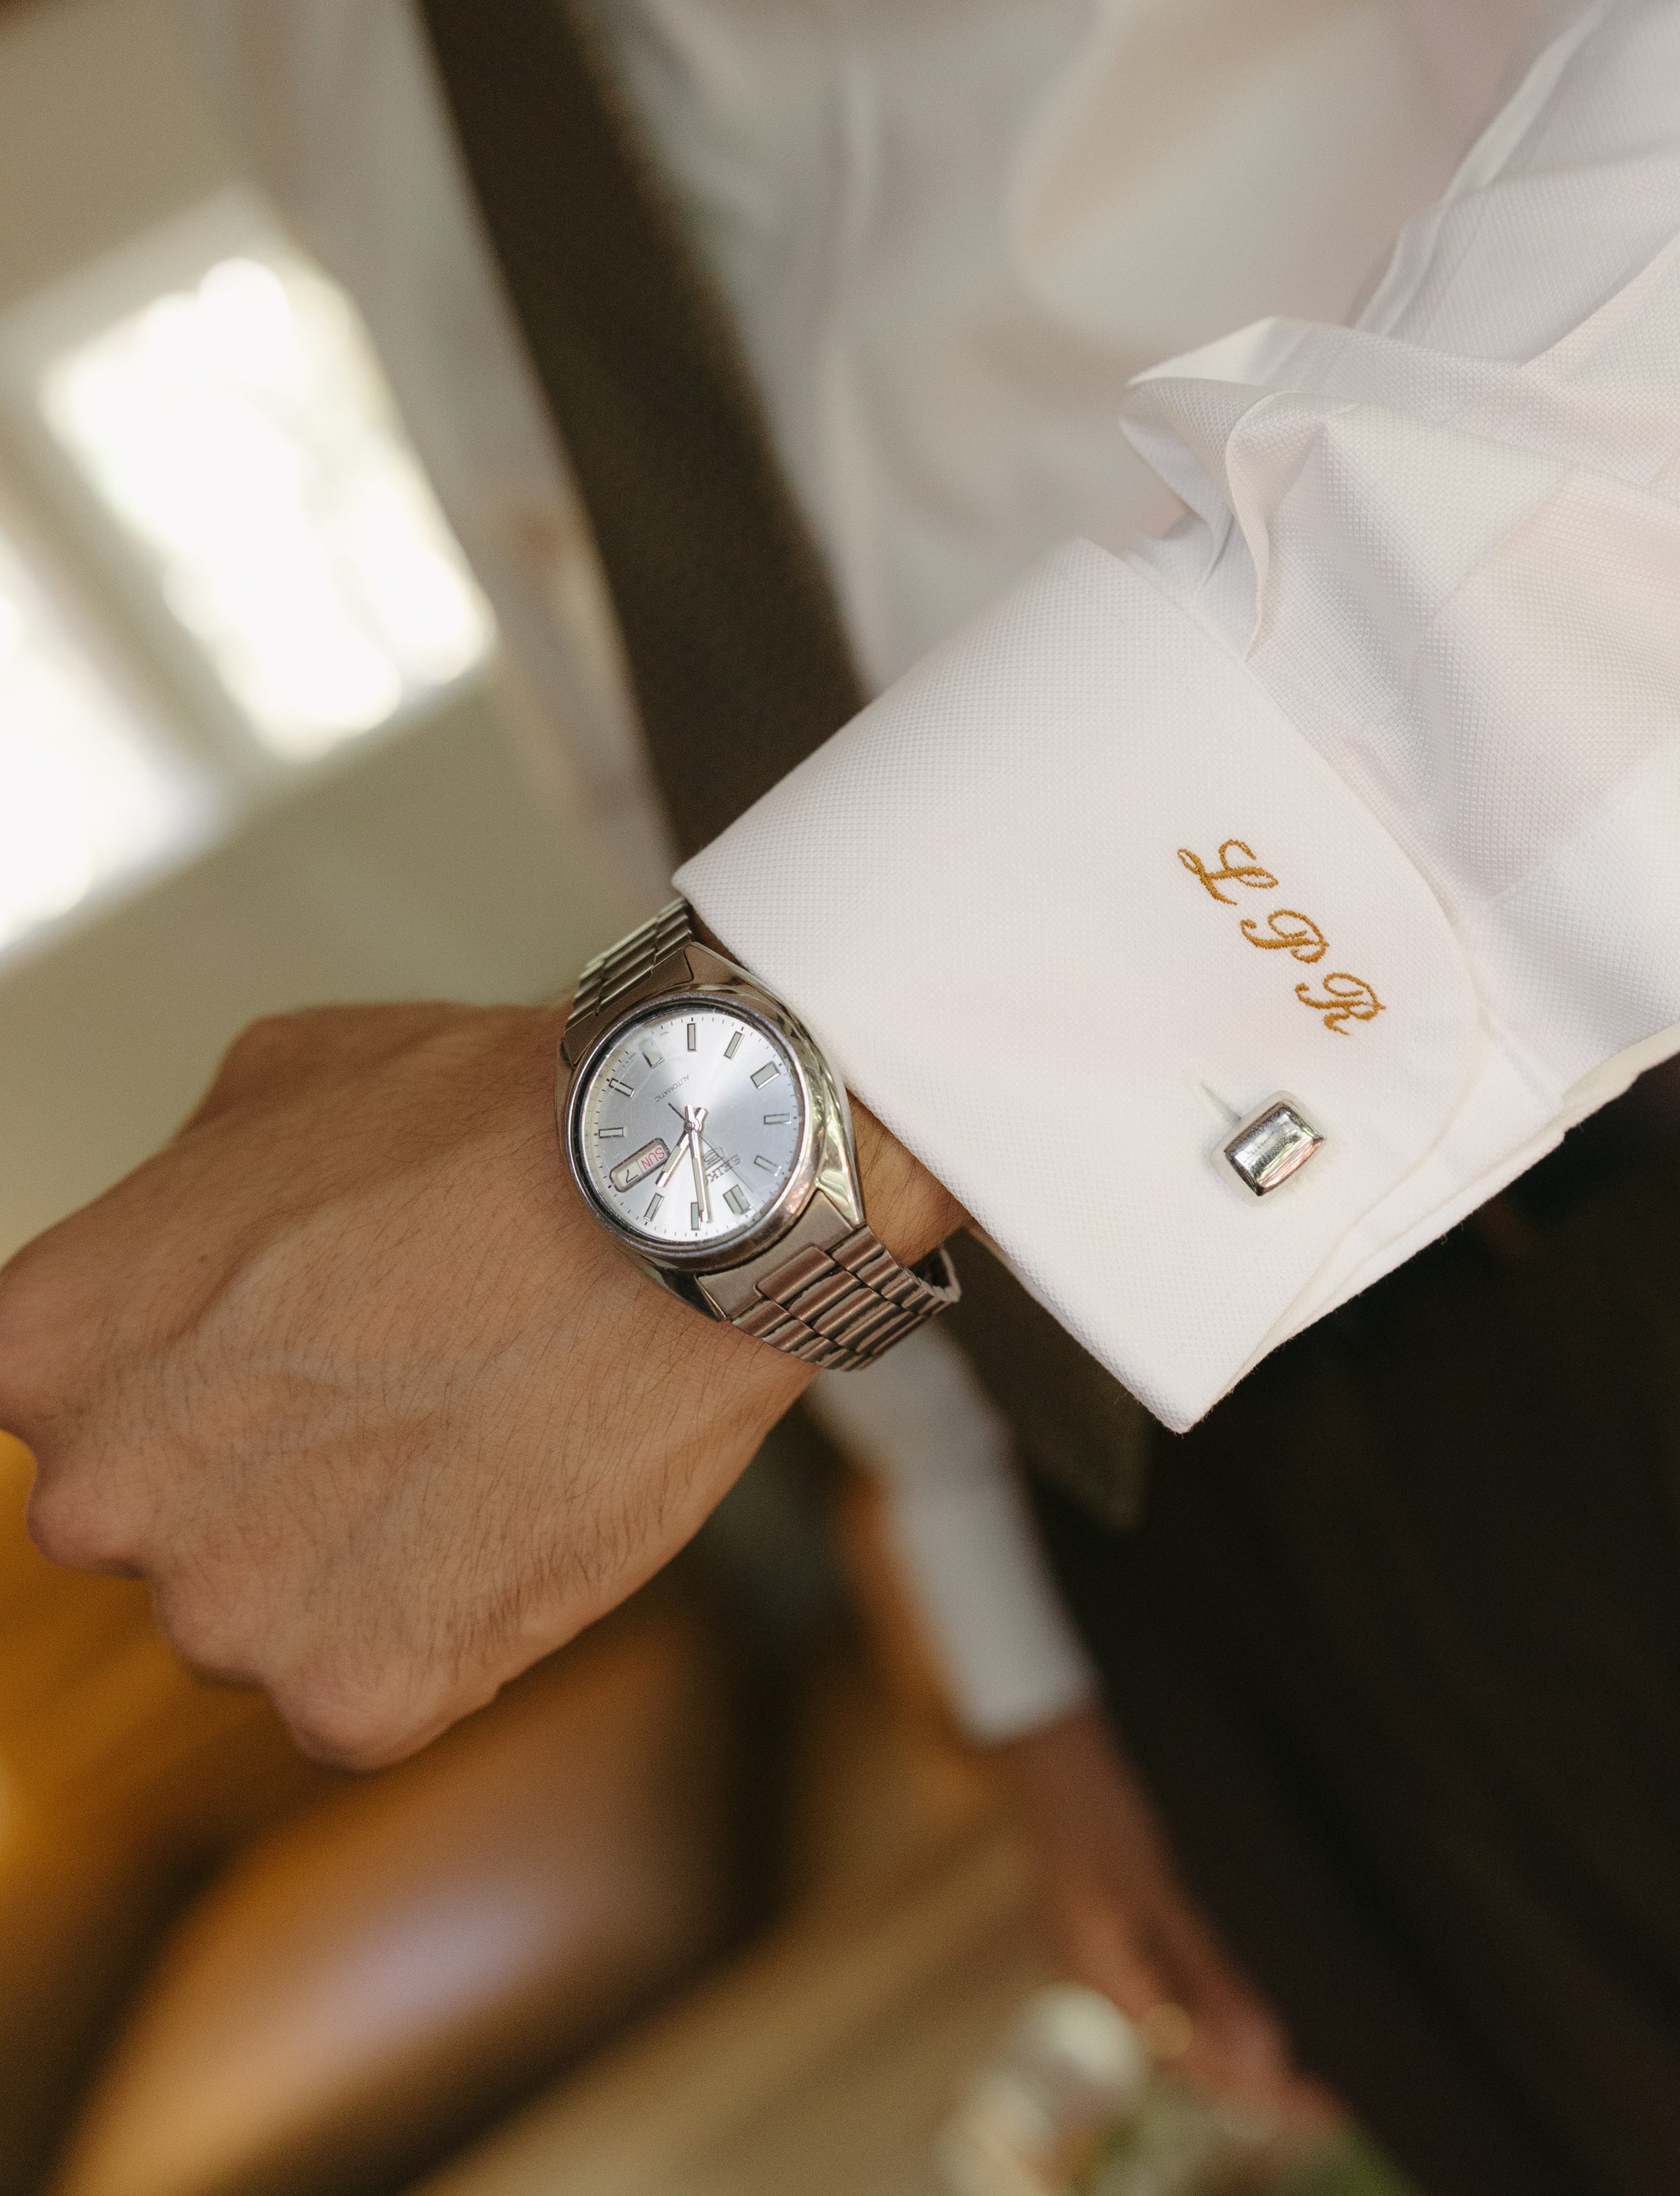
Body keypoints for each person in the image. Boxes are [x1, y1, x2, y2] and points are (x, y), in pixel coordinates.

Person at [5, 1, 1680, 2187]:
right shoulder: (302, 45)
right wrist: (1006, 1605)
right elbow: (649, 694)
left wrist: (748, 1121)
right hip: (1130, 1464)